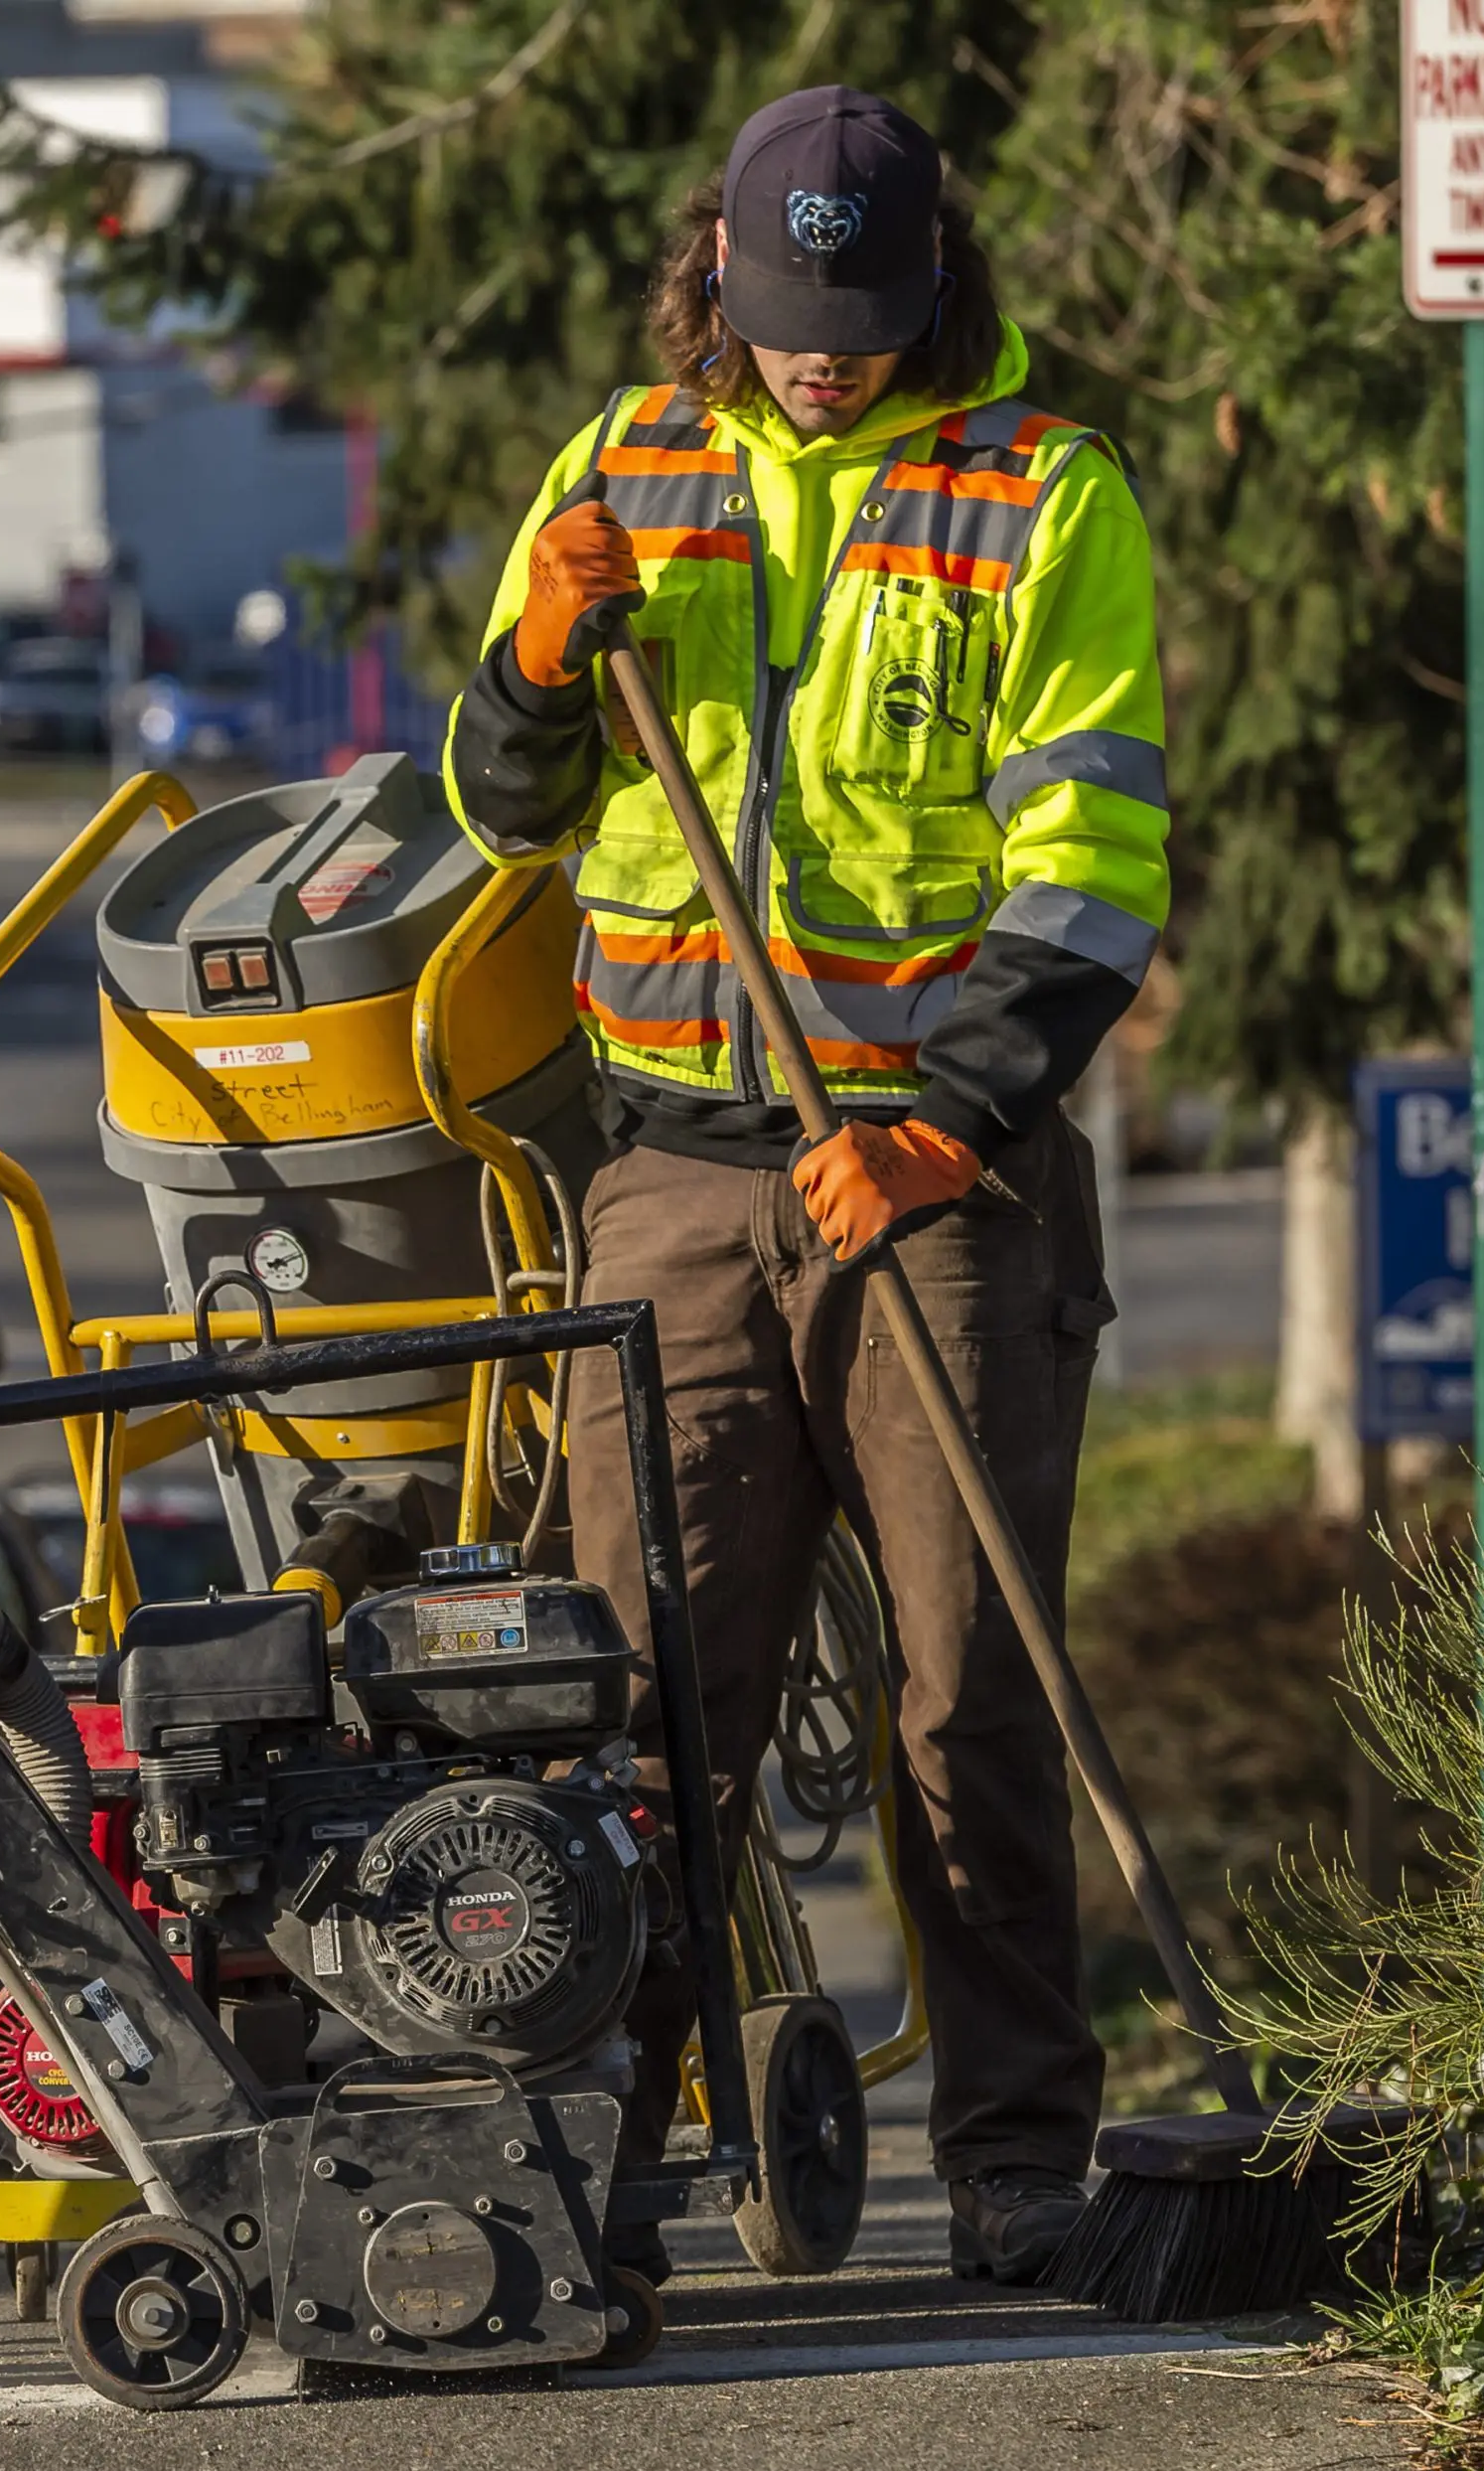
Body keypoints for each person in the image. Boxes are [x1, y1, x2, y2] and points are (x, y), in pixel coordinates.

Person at [443, 88, 1168, 2285]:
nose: (817, 355)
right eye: (781, 311)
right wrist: (538, 660)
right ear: (720, 273)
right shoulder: (617, 471)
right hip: (673, 1169)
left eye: (854, 312)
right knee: (650, 1702)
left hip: (939, 1189)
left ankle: (1019, 2151)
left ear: (927, 278)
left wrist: (947, 1116)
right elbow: (496, 810)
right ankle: (601, 2150)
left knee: (965, 1684)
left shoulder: (1035, 498)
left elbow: (1091, 858)